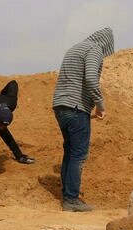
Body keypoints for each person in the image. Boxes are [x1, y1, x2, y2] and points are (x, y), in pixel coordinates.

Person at [52, 27, 115, 212]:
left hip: (60, 106)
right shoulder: (94, 49)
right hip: (76, 108)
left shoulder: (75, 48)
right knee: (78, 154)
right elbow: (90, 79)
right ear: (106, 44)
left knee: (70, 151)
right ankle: (71, 199)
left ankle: (67, 195)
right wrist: (100, 106)